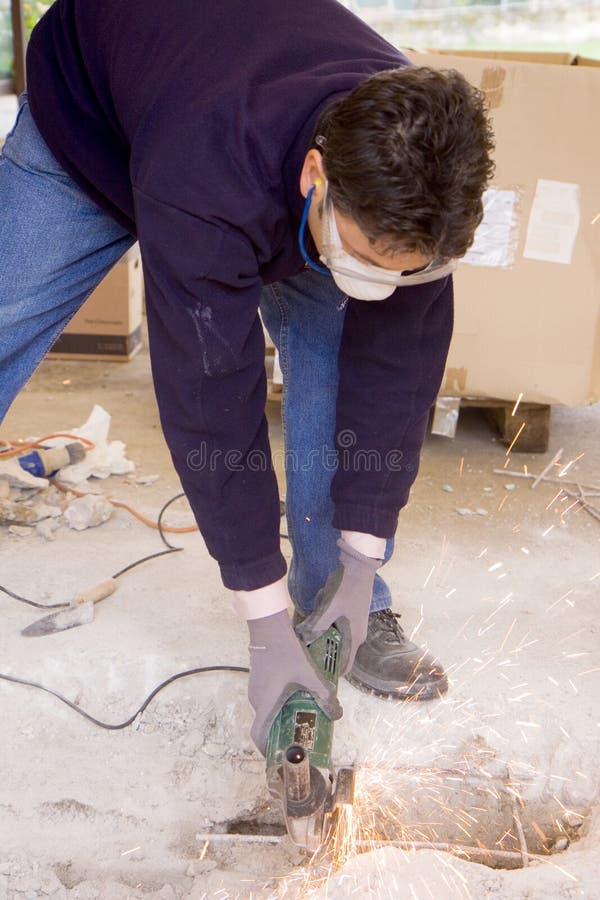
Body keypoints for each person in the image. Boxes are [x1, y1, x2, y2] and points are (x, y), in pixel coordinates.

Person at [0, 0, 494, 753]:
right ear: (315, 173)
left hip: (250, 149)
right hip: (100, 124)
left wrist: (365, 559)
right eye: (363, 256)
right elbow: (210, 397)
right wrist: (259, 617)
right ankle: (289, 608)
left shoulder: (415, 176)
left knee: (343, 381)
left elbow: (396, 377)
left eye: (398, 268)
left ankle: (338, 601)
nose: (377, 279)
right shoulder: (207, 166)